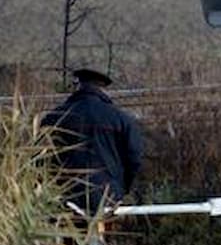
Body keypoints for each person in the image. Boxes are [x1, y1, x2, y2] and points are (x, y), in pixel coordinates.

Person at [42, 68, 144, 218]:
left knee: (69, 239)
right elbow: (134, 159)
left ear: (78, 86)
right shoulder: (122, 120)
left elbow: (41, 159)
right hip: (109, 197)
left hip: (67, 198)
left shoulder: (54, 118)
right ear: (103, 88)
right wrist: (122, 189)